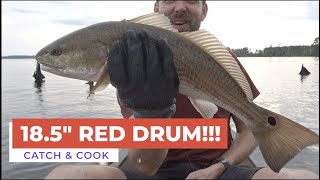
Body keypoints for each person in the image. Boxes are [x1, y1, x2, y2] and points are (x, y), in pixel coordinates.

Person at [45, 1, 319, 179]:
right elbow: (144, 165)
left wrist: (220, 166)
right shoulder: (131, 65)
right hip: (156, 170)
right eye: (168, 0)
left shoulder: (224, 59)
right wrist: (150, 113)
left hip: (221, 167)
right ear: (155, 10)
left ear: (204, 10)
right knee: (63, 175)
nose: (179, 7)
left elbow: (250, 127)